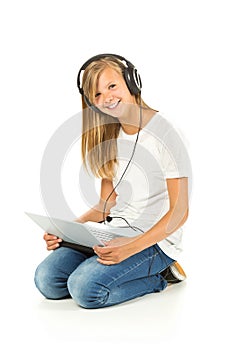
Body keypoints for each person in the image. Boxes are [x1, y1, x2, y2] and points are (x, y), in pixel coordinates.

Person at [34, 54, 191, 309]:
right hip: (113, 233)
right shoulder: (109, 135)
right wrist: (68, 231)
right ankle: (108, 269)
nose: (106, 97)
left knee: (85, 290)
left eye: (112, 86)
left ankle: (160, 277)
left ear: (132, 82)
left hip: (155, 242)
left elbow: (180, 212)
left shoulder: (166, 133)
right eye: (96, 94)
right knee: (48, 281)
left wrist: (129, 248)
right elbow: (106, 205)